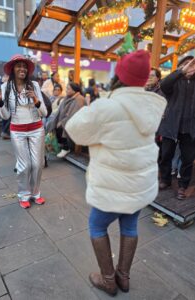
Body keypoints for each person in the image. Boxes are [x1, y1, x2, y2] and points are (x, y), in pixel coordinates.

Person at [65, 50, 166, 296]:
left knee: (96, 226)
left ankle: (108, 280)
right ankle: (123, 276)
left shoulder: (106, 107)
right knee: (130, 226)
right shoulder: (152, 106)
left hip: (113, 185)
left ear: (119, 76)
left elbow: (73, 130)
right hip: (139, 184)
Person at [0, 54, 47, 209]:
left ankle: (35, 193)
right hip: (17, 130)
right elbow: (6, 115)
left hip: (36, 129)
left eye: (24, 66)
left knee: (38, 164)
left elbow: (44, 112)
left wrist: (36, 100)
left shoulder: (35, 85)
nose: (22, 69)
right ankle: (24, 195)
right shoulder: (5, 87)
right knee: (24, 166)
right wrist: (0, 101)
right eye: (19, 66)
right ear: (12, 69)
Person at [159, 56, 195, 200]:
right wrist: (180, 72)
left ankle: (183, 186)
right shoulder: (174, 81)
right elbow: (163, 85)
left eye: (192, 65)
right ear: (180, 66)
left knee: (188, 159)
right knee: (166, 155)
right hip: (171, 124)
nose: (190, 67)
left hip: (190, 128)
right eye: (186, 64)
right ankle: (165, 180)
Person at [47, 82, 85, 158]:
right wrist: (57, 120)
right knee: (51, 123)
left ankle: (66, 147)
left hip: (76, 122)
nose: (66, 90)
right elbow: (60, 110)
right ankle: (60, 144)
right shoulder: (68, 97)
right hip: (66, 119)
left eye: (68, 88)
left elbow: (73, 115)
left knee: (61, 127)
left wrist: (62, 122)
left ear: (74, 91)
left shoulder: (79, 99)